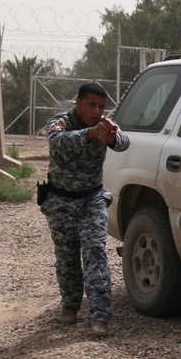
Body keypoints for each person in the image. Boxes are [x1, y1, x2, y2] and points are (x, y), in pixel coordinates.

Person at [41, 83, 130, 337]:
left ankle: (100, 315)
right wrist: (90, 134)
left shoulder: (105, 125)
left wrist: (112, 137)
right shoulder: (61, 123)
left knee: (95, 252)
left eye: (101, 106)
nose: (97, 111)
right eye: (92, 105)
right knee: (67, 257)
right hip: (60, 202)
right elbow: (58, 142)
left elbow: (123, 142)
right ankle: (69, 305)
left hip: (91, 200)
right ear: (78, 103)